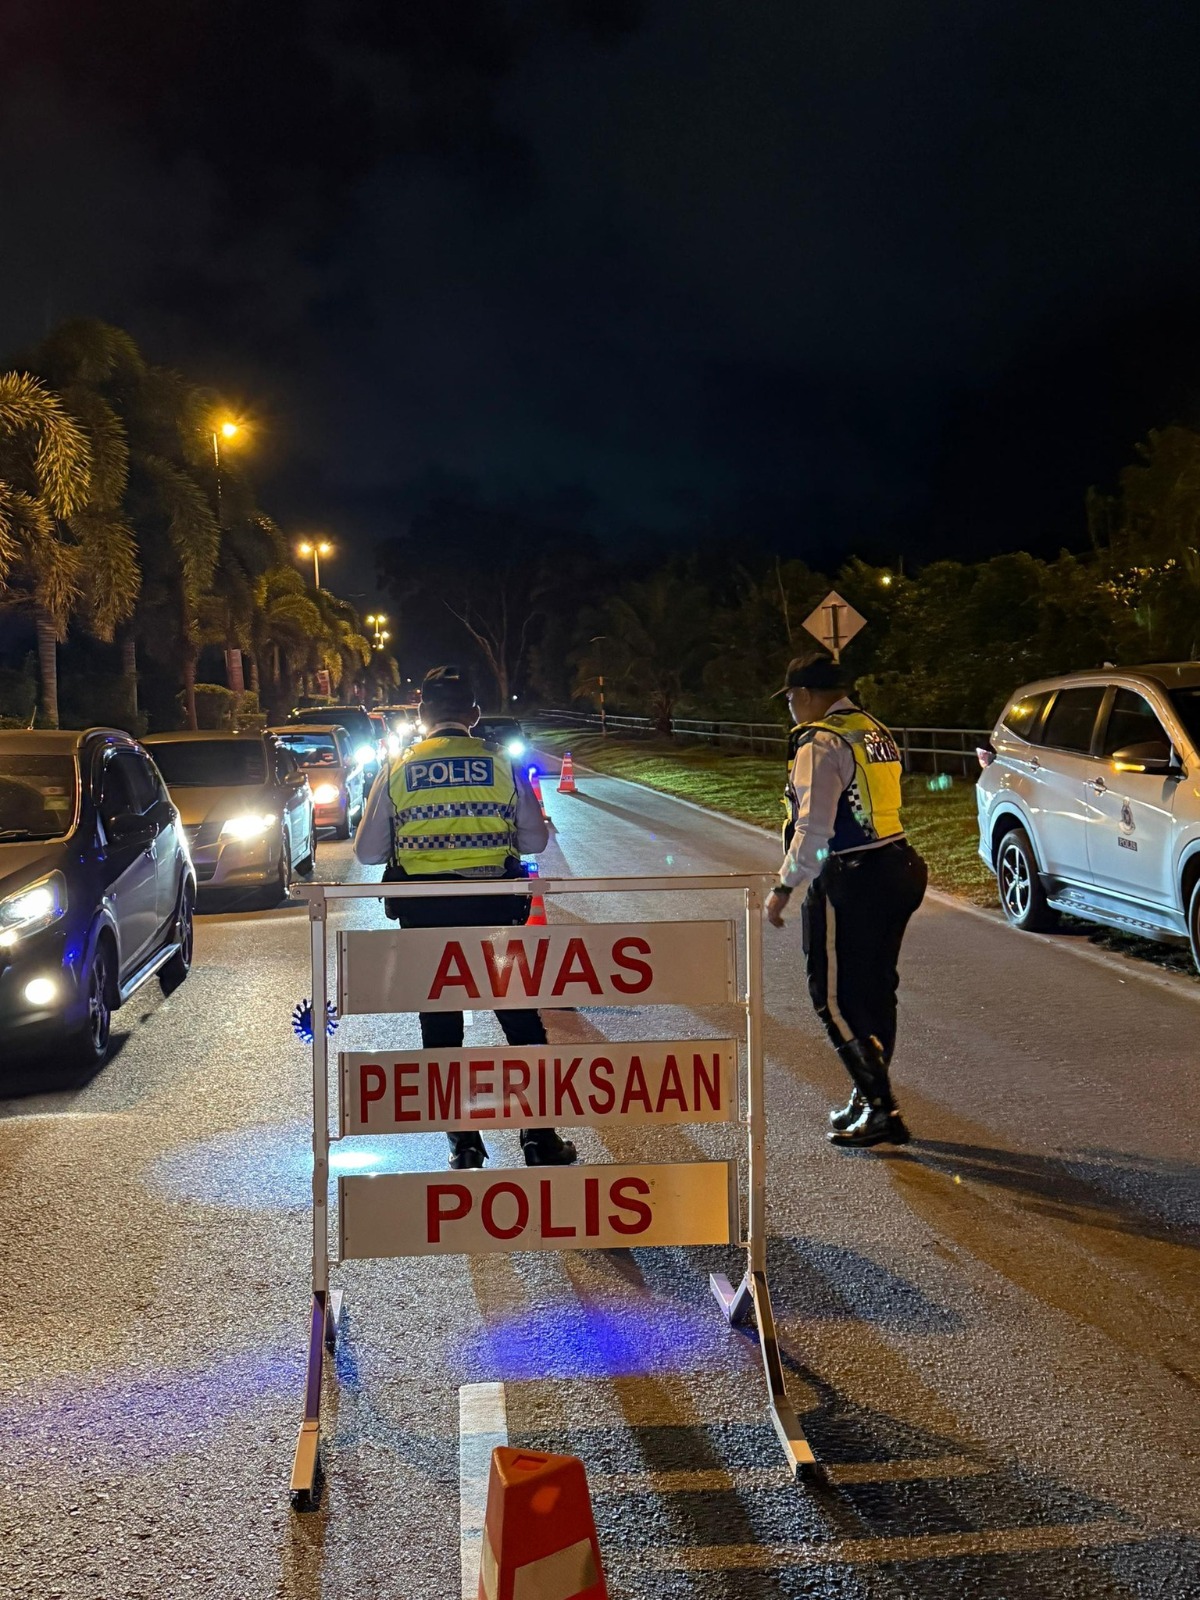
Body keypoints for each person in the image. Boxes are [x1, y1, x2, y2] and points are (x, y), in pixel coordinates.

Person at [354, 665, 576, 1171]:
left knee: (441, 1030)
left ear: (421, 714)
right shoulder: (500, 763)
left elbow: (368, 853)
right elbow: (536, 841)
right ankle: (539, 1139)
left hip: (425, 922)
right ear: (474, 714)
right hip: (495, 917)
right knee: (521, 1023)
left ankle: (465, 1143)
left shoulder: (399, 767)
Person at [765, 652, 927, 1148]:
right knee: (876, 989)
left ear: (805, 694)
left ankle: (881, 1108)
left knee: (832, 997)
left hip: (852, 875)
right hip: (899, 865)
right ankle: (866, 1096)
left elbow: (814, 828)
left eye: (790, 698)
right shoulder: (872, 729)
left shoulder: (820, 742)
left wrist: (784, 886)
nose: (790, 707)